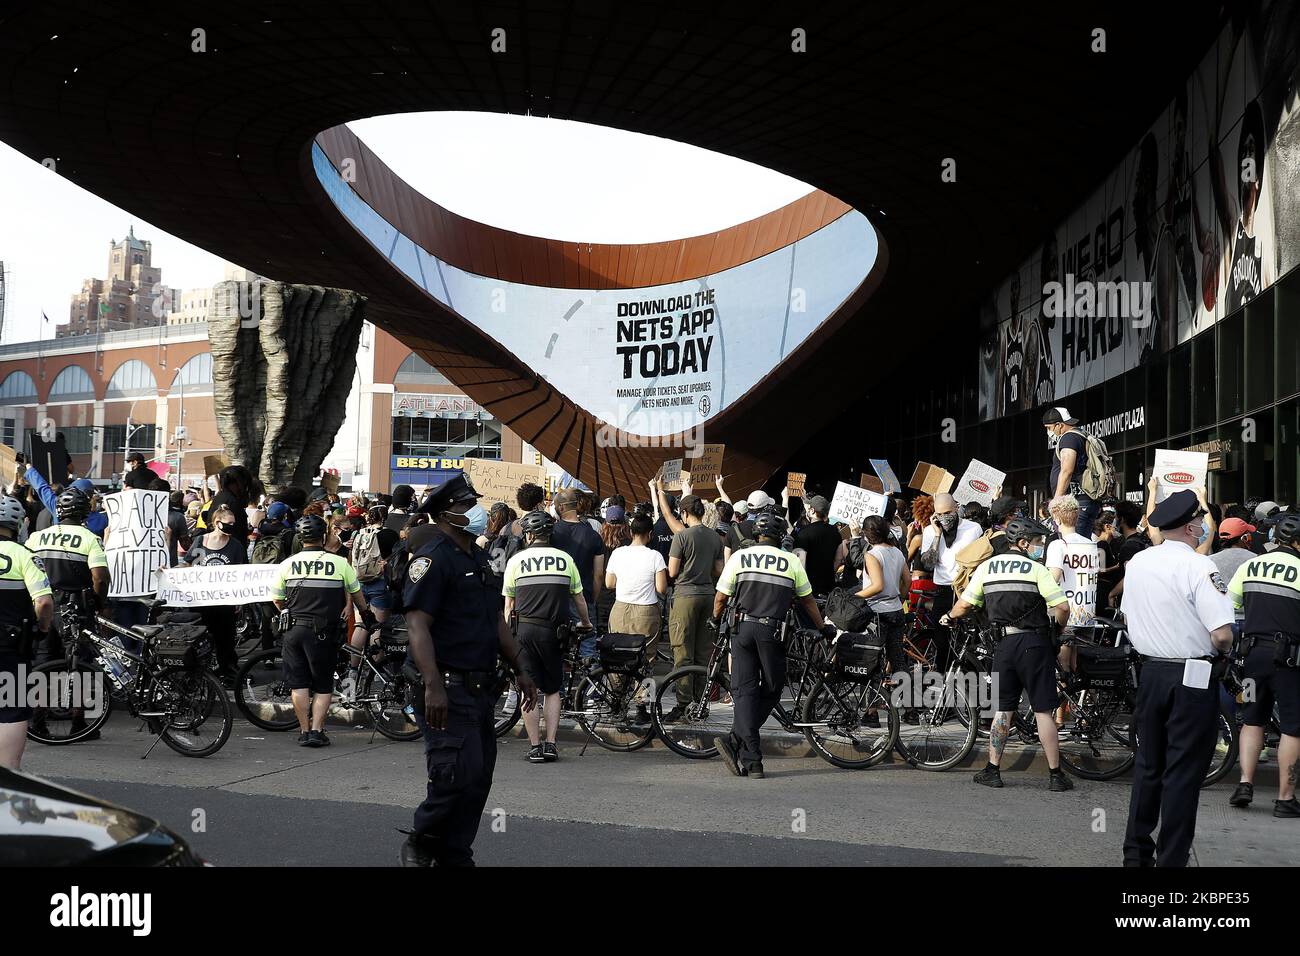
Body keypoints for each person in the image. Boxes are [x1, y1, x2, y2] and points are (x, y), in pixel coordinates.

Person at [399, 472, 537, 867]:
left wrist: (521, 667)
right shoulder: (432, 558)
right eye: (465, 505)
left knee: (478, 780)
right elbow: (417, 625)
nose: (474, 511)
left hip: (479, 688)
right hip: (444, 685)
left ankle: (455, 853)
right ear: (446, 513)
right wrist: (432, 685)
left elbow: (495, 622)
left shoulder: (477, 557)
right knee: (454, 773)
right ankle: (422, 840)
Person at [1119, 489, 1235, 867]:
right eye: (1200, 521)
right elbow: (1221, 633)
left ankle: (1136, 855)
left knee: (1148, 766)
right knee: (1183, 773)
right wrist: (1228, 650)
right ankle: (1171, 859)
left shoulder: (1137, 562)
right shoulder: (1200, 567)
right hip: (1193, 675)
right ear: (1190, 526)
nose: (1203, 527)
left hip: (1150, 672)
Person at [947, 516, 1073, 790]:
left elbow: (962, 606)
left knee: (1003, 710)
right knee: (1043, 710)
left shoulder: (987, 568)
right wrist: (1059, 631)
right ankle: (1055, 776)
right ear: (1024, 543)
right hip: (1035, 645)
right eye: (1038, 542)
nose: (1040, 547)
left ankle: (993, 770)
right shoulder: (1037, 570)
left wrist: (949, 616)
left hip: (1004, 647)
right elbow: (1062, 607)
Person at [711, 511, 830, 778]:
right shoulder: (790, 561)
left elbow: (720, 597)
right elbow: (807, 600)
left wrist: (714, 620)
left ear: (756, 534)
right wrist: (823, 627)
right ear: (780, 537)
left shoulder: (740, 557)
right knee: (773, 688)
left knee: (744, 692)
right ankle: (748, 755)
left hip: (741, 630)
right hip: (773, 633)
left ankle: (745, 752)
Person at [270, 514, 375, 748]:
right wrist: (367, 616)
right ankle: (317, 731)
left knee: (299, 684)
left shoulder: (287, 564)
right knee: (323, 684)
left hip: (294, 630)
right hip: (323, 633)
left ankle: (304, 731)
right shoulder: (339, 563)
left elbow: (277, 599)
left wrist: (290, 609)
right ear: (324, 536)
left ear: (300, 537)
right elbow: (357, 596)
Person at [1225, 512, 1300, 817]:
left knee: (1252, 719)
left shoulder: (1250, 565)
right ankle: (1285, 798)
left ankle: (1244, 783)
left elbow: (1230, 605)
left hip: (1251, 658)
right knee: (1293, 728)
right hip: (1290, 662)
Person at [502, 510, 592, 763]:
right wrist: (586, 623)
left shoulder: (516, 561)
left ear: (529, 535)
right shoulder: (565, 559)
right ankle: (551, 743)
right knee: (553, 689)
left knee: (527, 688)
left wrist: (508, 635)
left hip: (524, 631)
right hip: (555, 631)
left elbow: (508, 605)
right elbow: (579, 599)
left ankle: (534, 747)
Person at [0, 493, 54, 769]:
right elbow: (43, 601)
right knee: (10, 709)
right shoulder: (25, 556)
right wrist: (40, 630)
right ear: (19, 524)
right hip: (11, 648)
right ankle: (9, 776)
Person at [663, 490, 725, 713]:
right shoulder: (715, 537)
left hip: (685, 596)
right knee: (703, 652)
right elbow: (719, 569)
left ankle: (682, 702)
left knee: (682, 651)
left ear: (685, 513)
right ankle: (701, 702)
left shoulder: (682, 536)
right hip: (708, 595)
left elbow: (672, 570)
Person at [183, 503, 249, 680]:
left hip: (225, 603)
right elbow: (190, 566)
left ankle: (227, 671)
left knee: (225, 639)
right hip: (202, 601)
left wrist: (240, 601)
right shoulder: (201, 541)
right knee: (200, 638)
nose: (232, 527)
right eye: (229, 523)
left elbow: (242, 573)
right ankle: (198, 673)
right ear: (217, 522)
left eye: (234, 523)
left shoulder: (235, 546)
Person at [916, 493, 982, 665]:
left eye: (947, 513)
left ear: (957, 508)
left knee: (967, 639)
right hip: (943, 588)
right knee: (941, 638)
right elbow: (928, 564)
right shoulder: (931, 530)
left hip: (966, 588)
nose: (944, 518)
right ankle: (943, 677)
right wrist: (937, 535)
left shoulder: (973, 529)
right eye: (939, 514)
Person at [605, 513, 668, 677]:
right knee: (646, 656)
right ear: (650, 534)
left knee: (618, 653)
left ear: (631, 532)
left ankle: (617, 695)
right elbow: (661, 588)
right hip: (646, 611)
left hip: (620, 609)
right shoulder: (655, 556)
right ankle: (642, 696)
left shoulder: (617, 553)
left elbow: (609, 584)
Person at [550, 488, 605, 659]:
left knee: (556, 644)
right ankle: (589, 684)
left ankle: (560, 684)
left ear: (560, 508)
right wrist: (593, 599)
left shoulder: (551, 533)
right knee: (588, 644)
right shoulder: (593, 535)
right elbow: (598, 574)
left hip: (555, 596)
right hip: (583, 595)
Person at [855, 515, 909, 685]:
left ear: (866, 534)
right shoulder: (897, 551)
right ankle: (908, 706)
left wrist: (854, 597)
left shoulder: (872, 555)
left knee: (873, 660)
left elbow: (877, 585)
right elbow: (907, 581)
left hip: (877, 612)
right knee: (898, 658)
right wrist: (900, 598)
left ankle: (873, 707)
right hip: (895, 609)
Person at [1042, 406, 1100, 540]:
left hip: (1076, 503)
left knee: (1072, 547)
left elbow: (1067, 471)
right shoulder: (1081, 435)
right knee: (1080, 544)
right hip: (1085, 502)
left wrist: (1056, 501)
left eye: (1049, 428)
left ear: (1059, 425)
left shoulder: (1068, 438)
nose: (1048, 432)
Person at [792, 494, 843, 598]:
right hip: (828, 586)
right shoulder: (836, 532)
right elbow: (839, 558)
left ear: (812, 511)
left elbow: (798, 562)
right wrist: (828, 573)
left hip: (808, 588)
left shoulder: (803, 533)